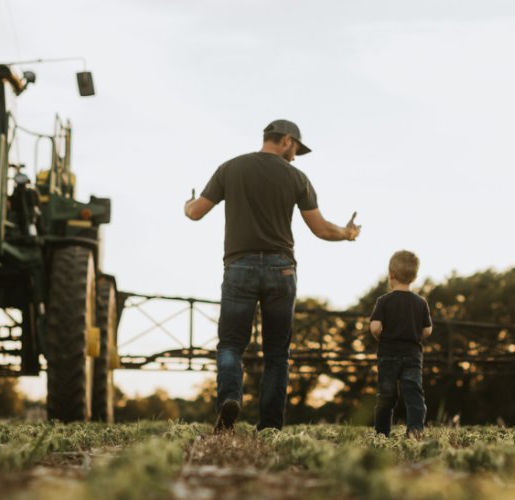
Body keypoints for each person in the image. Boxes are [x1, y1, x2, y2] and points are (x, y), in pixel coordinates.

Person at [184, 119, 361, 431]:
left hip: (239, 266)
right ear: (287, 140)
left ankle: (230, 399)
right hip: (282, 269)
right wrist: (347, 234)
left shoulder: (231, 168)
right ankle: (269, 426)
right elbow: (321, 229)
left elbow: (196, 212)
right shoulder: (297, 178)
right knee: (277, 353)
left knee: (231, 345)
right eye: (296, 150)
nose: (295, 157)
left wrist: (187, 204)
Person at [369, 250, 431, 438]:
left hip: (388, 354)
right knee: (414, 394)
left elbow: (375, 327)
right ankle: (415, 430)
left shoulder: (384, 301)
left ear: (391, 275)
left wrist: (383, 338)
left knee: (386, 396)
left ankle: (382, 433)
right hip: (412, 355)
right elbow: (427, 330)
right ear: (414, 277)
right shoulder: (421, 302)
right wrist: (414, 336)